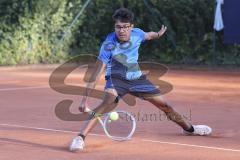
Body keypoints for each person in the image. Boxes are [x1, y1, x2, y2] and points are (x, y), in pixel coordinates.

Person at [69, 8, 212, 151]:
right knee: (106, 103)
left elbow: (148, 35)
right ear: (115, 27)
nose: (122, 30)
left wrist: (157, 34)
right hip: (116, 79)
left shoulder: (137, 33)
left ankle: (189, 129)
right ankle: (79, 138)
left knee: (165, 106)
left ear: (131, 27)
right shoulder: (108, 45)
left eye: (125, 27)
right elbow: (96, 73)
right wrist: (84, 99)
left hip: (137, 78)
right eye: (118, 27)